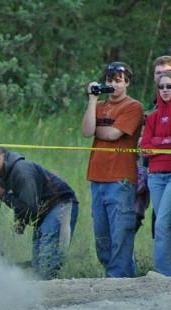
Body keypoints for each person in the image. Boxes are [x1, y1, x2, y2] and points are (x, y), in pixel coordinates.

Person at [81, 61, 143, 278]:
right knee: (102, 235)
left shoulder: (133, 106)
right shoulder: (98, 106)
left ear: (127, 83)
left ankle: (119, 279)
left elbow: (112, 135)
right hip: (97, 177)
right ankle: (115, 276)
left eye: (118, 81)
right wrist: (92, 100)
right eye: (110, 81)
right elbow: (87, 131)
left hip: (120, 178)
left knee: (121, 233)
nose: (114, 85)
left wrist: (100, 129)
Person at [0, 146, 79, 279]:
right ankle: (43, 287)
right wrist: (21, 220)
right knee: (38, 258)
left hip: (60, 202)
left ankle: (50, 288)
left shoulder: (21, 170)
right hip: (43, 209)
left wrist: (3, 195)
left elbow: (30, 206)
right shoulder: (2, 175)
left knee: (47, 253)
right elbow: (22, 198)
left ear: (4, 156)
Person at [139, 71, 171, 275]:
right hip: (155, 175)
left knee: (161, 224)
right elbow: (144, 148)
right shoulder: (152, 118)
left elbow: (152, 145)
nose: (166, 90)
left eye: (169, 86)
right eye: (162, 87)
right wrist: (164, 143)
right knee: (164, 226)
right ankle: (163, 276)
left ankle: (162, 273)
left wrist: (157, 143)